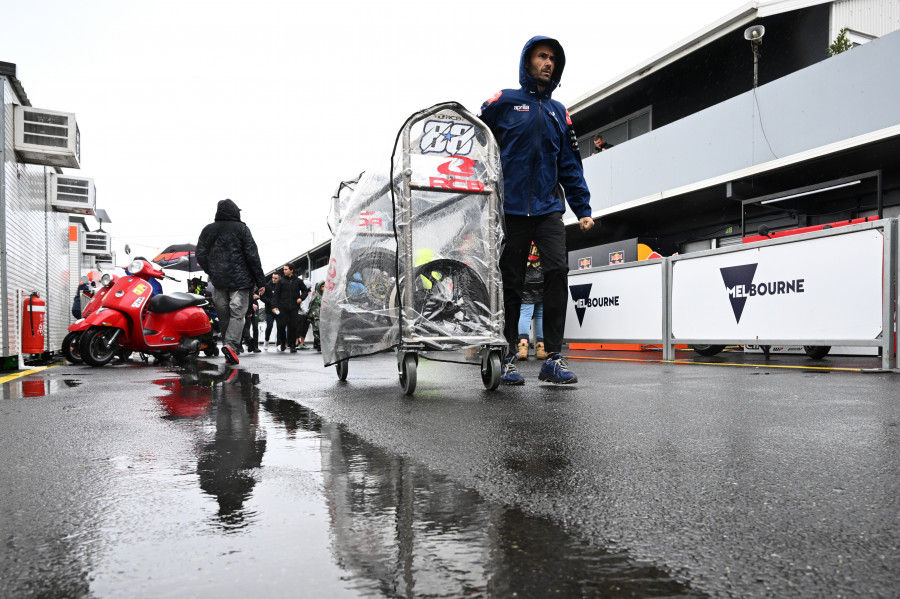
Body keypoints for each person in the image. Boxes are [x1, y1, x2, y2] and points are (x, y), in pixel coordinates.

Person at [479, 36, 595, 385]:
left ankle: (553, 358)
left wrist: (582, 206)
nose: (549, 63)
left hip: (548, 209)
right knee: (511, 282)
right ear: (527, 62)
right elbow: (476, 142)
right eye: (542, 57)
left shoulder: (560, 112)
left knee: (558, 271)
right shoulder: (504, 102)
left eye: (553, 59)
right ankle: (507, 356)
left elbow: (570, 164)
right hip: (510, 210)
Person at [196, 198, 266, 365]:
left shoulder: (208, 230)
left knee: (224, 314)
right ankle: (231, 346)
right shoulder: (242, 229)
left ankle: (230, 346)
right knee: (238, 314)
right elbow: (252, 255)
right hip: (241, 280)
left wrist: (211, 271)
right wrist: (260, 280)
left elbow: (200, 253)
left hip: (218, 281)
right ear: (235, 211)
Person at [517, 243, 546, 361]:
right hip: (542, 279)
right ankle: (540, 349)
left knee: (525, 313)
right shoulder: (543, 236)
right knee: (540, 314)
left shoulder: (524, 235)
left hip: (525, 279)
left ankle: (523, 348)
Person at [273, 264, 309, 353]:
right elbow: (276, 295)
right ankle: (283, 343)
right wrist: (274, 307)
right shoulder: (281, 282)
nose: (284, 271)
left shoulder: (298, 281)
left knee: (293, 326)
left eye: (286, 269)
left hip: (294, 307)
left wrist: (301, 298)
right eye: (283, 269)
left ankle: (292, 345)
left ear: (291, 270)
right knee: (281, 326)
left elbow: (305, 291)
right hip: (282, 307)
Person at [257, 272, 280, 350]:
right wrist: (272, 302)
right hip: (269, 310)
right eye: (273, 278)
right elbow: (262, 297)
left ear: (279, 278)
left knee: (280, 326)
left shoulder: (281, 286)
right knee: (269, 326)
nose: (273, 279)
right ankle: (266, 340)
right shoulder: (267, 286)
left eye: (275, 278)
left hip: (278, 310)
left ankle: (279, 344)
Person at [307, 281, 325, 352]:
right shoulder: (316, 296)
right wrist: (309, 315)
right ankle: (319, 344)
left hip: (324, 316)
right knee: (317, 331)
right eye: (322, 286)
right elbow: (310, 306)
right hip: (316, 316)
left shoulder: (327, 296)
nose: (324, 288)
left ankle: (321, 345)